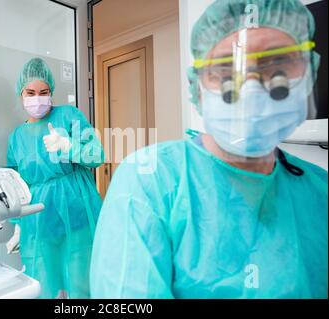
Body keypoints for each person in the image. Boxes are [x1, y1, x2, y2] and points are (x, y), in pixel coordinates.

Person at [90, 0, 328, 299]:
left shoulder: (320, 189)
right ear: (198, 86)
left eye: (277, 67)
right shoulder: (149, 181)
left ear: (308, 72)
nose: (252, 90)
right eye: (227, 71)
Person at [7, 57, 104, 298]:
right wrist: (18, 225)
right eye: (30, 92)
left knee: (81, 282)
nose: (37, 98)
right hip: (39, 219)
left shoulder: (68, 115)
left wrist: (68, 144)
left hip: (76, 209)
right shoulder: (16, 137)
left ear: (51, 91)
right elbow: (15, 184)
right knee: (45, 284)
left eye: (43, 92)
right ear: (21, 93)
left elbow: (97, 155)